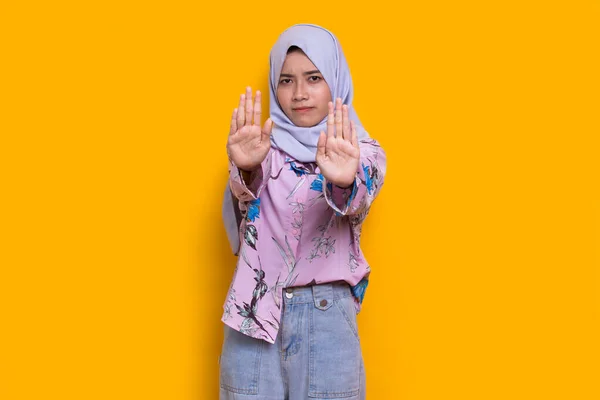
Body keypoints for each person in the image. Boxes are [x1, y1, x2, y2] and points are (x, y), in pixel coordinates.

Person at [219, 23, 386, 400]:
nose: (299, 94)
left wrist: (344, 181)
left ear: (335, 80)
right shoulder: (261, 147)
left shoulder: (363, 152)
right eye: (286, 80)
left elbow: (356, 201)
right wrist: (244, 169)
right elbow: (243, 217)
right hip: (252, 316)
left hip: (326, 318)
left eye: (313, 78)